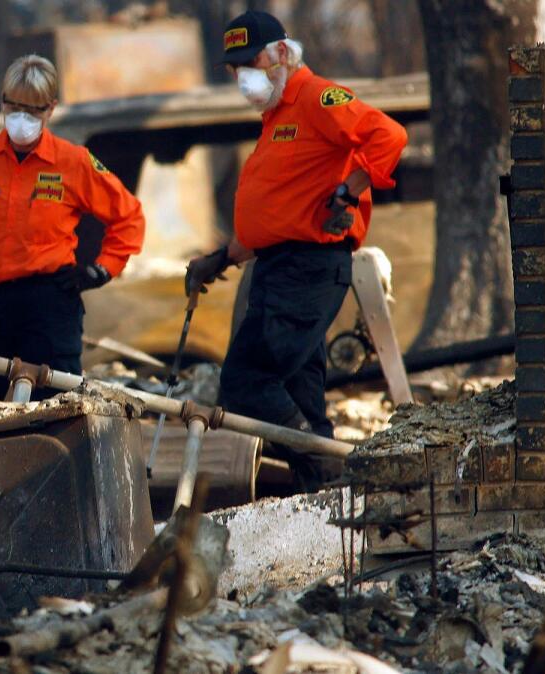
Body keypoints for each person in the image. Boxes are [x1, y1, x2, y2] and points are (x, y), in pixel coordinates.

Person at [185, 10, 407, 488]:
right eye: (235, 68)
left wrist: (349, 191)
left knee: (246, 382)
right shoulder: (277, 117)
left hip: (306, 271)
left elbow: (389, 135)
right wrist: (219, 259)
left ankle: (332, 467)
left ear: (282, 53)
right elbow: (278, 218)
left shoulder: (315, 97)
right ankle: (327, 495)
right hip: (279, 269)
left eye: (252, 61)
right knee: (299, 394)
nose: (244, 75)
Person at [0, 55, 145, 399]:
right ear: (3, 102)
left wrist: (99, 270)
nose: (22, 118)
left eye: (34, 110)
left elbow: (129, 217)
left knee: (56, 406)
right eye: (14, 106)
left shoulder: (74, 162)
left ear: (50, 110)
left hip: (51, 302)